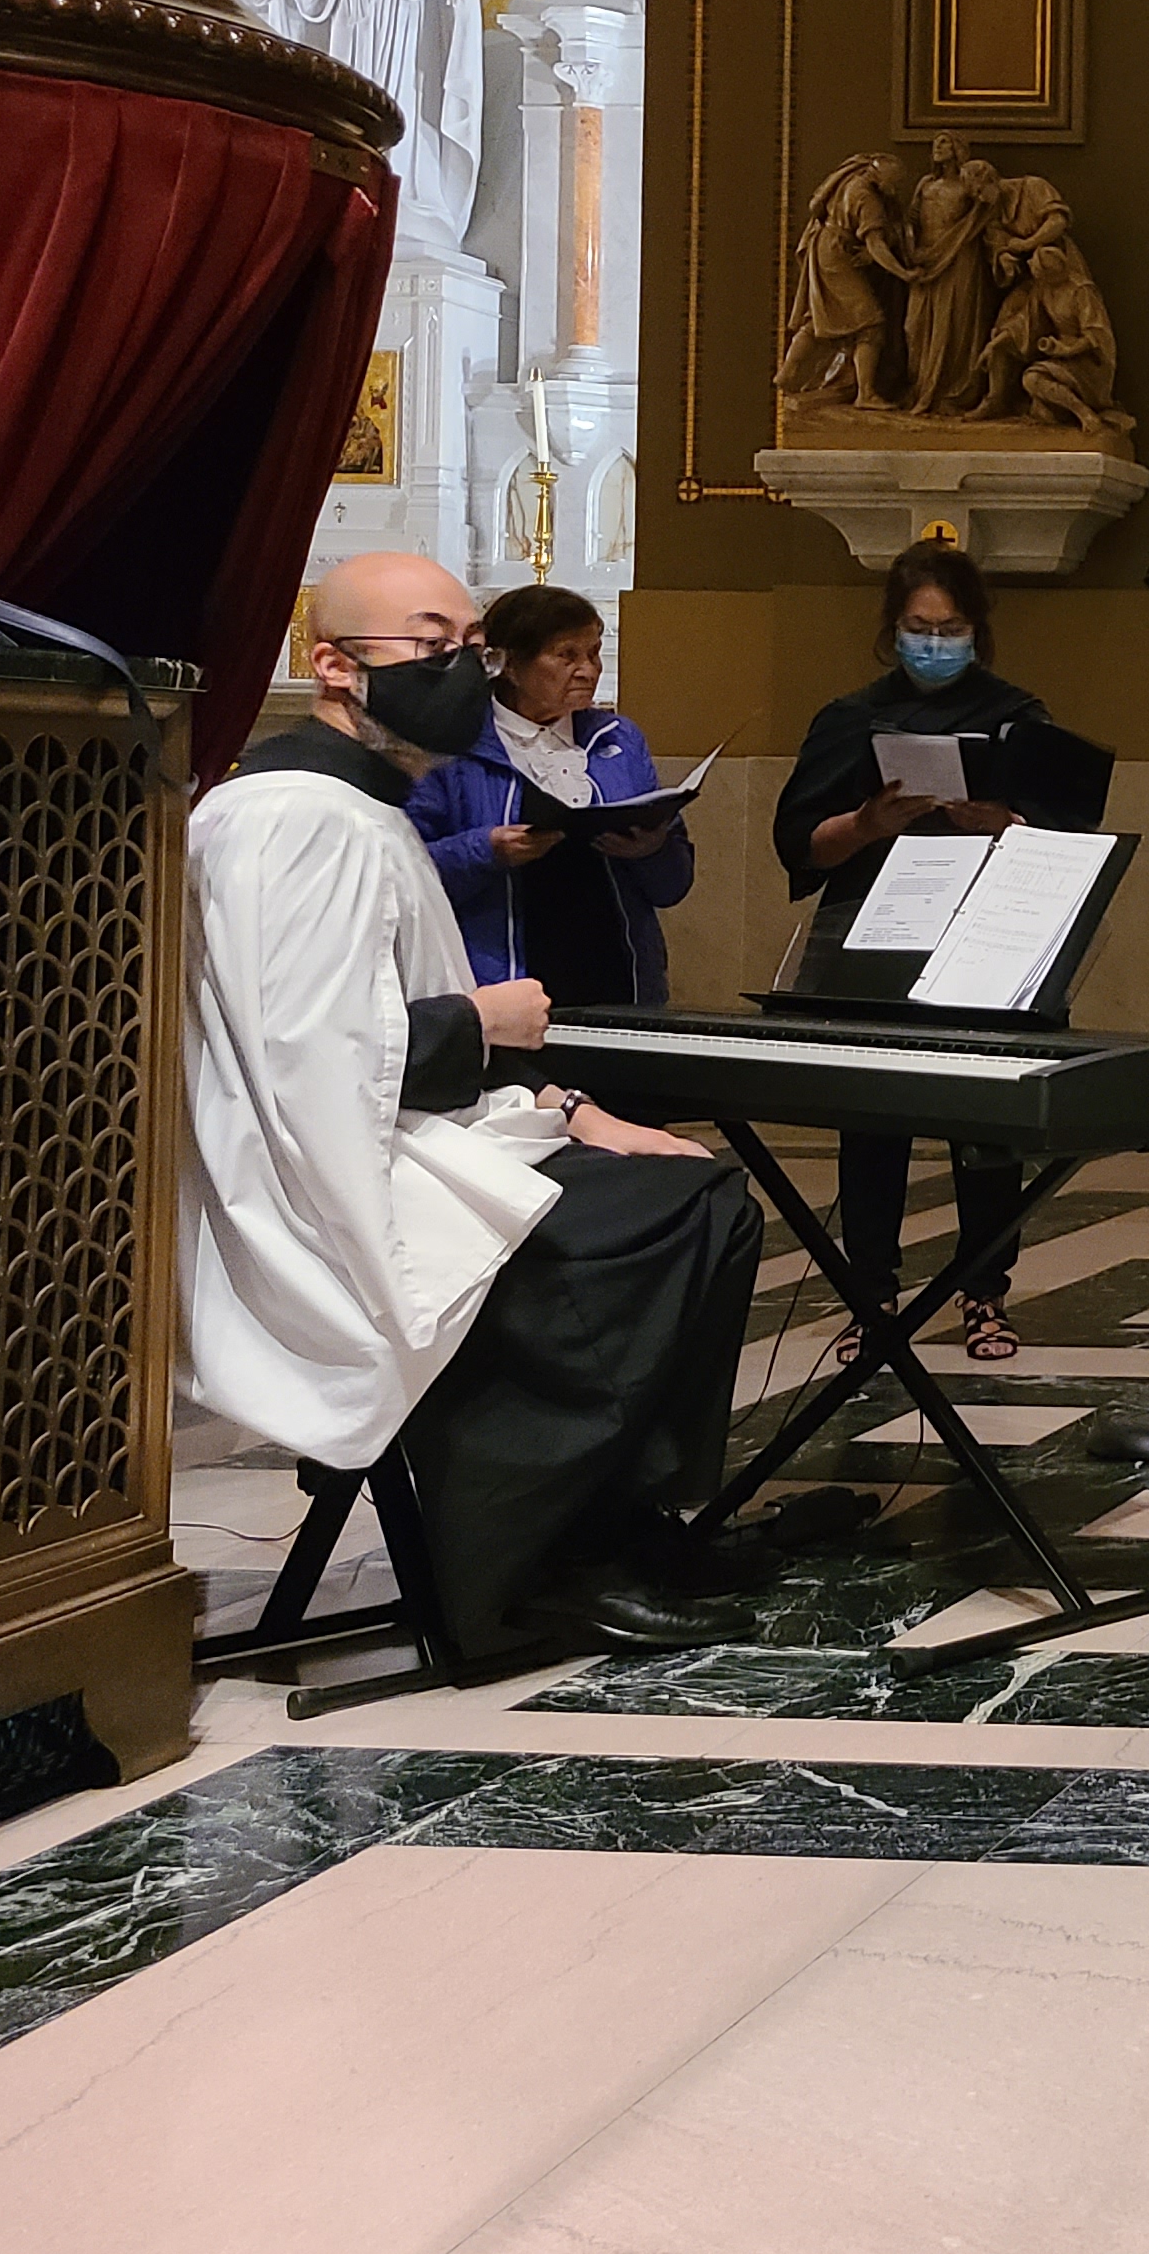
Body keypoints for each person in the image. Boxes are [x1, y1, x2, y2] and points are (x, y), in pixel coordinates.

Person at [182, 553, 765, 1656]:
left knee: (698, 1191)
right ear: (334, 667)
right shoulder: (296, 819)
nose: (462, 669)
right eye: (431, 643)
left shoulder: (357, 810)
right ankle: (549, 1556)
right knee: (660, 1223)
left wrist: (572, 1108)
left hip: (388, 1135)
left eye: (472, 646)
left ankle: (623, 1522)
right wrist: (482, 1023)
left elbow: (360, 1032)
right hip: (315, 1189)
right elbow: (304, 1058)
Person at [770, 541, 1050, 1362]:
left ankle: (985, 1292)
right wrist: (867, 823)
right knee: (873, 1126)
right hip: (877, 932)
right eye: (919, 628)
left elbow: (1059, 830)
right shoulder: (850, 717)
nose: (934, 643)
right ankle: (871, 1296)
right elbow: (799, 843)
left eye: (950, 628)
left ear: (978, 631)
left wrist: (1002, 820)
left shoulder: (1017, 716)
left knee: (985, 1125)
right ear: (892, 630)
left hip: (984, 935)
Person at [406, 583, 693, 1009]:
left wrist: (651, 851)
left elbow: (673, 885)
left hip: (618, 982)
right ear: (508, 665)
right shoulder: (450, 747)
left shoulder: (618, 740)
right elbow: (405, 875)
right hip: (498, 984)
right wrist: (487, 851)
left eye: (593, 653)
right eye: (566, 655)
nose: (588, 670)